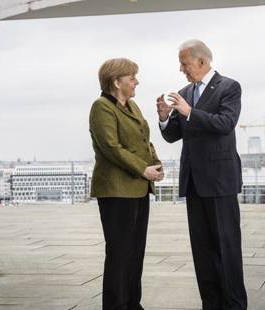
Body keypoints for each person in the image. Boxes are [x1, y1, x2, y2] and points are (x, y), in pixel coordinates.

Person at [156, 39, 248, 309]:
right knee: (203, 250)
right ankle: (211, 304)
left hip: (220, 182)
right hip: (194, 182)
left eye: (184, 64)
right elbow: (174, 134)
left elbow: (226, 123)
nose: (181, 69)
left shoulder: (229, 87)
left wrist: (189, 111)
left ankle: (234, 304)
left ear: (202, 61)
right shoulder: (186, 91)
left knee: (226, 247)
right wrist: (164, 117)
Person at [89, 58, 164, 310]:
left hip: (138, 189)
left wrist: (155, 163)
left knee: (135, 253)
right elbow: (111, 147)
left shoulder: (132, 106)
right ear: (116, 82)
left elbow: (145, 140)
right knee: (119, 254)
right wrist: (143, 168)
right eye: (132, 78)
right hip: (116, 191)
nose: (136, 82)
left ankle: (132, 304)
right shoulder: (101, 107)